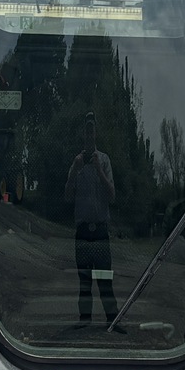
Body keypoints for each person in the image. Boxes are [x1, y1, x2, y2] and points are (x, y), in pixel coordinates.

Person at [66, 115, 118, 323]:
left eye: (92, 130)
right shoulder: (76, 162)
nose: (89, 134)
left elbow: (112, 195)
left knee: (105, 279)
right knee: (85, 280)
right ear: (83, 134)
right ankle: (84, 319)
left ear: (96, 133)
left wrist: (98, 169)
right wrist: (74, 172)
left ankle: (112, 318)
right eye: (86, 130)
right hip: (83, 231)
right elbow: (67, 197)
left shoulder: (104, 160)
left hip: (101, 230)